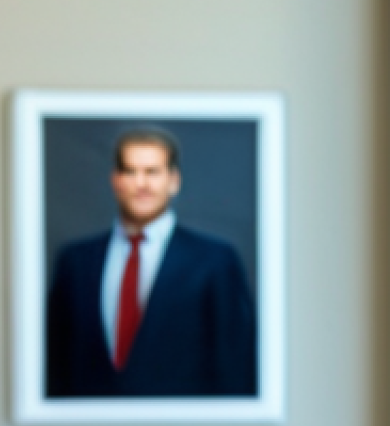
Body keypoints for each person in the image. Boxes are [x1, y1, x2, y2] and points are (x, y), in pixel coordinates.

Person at [46, 125, 257, 397]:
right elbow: (54, 361)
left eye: (152, 172)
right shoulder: (75, 261)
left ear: (173, 180)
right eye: (130, 171)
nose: (141, 184)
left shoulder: (215, 260)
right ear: (115, 180)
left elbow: (235, 367)